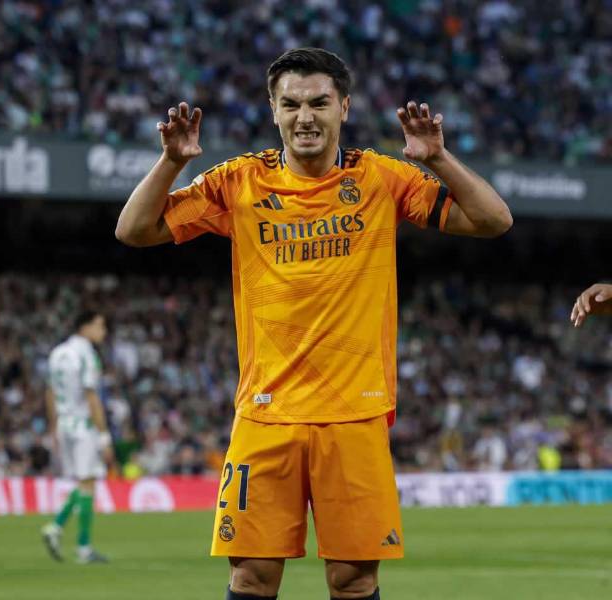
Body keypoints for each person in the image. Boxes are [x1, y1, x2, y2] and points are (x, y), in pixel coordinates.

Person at [116, 47, 512, 599]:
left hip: (354, 415)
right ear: (273, 110)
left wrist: (438, 158)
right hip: (265, 415)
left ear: (343, 107)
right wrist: (171, 162)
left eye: (319, 103)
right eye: (291, 104)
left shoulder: (382, 178)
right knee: (251, 576)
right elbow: (133, 230)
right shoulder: (239, 182)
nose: (305, 117)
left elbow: (494, 220)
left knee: (353, 580)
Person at [40, 310, 113, 564]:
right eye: (99, 326)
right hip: (83, 425)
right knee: (88, 482)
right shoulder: (86, 354)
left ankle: (58, 529)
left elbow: (50, 392)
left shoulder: (57, 353)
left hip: (64, 424)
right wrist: (104, 435)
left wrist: (53, 427)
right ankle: (81, 545)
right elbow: (91, 396)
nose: (103, 332)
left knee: (84, 482)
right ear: (85, 326)